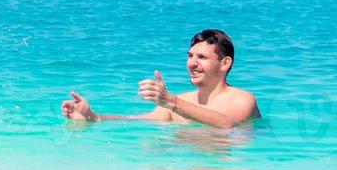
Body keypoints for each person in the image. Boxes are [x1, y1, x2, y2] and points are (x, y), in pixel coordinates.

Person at [61, 29, 260, 129]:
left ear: (225, 63)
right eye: (190, 56)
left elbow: (225, 123)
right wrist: (92, 116)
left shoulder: (242, 99)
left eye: (202, 57)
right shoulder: (181, 102)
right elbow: (136, 120)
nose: (192, 63)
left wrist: (170, 102)